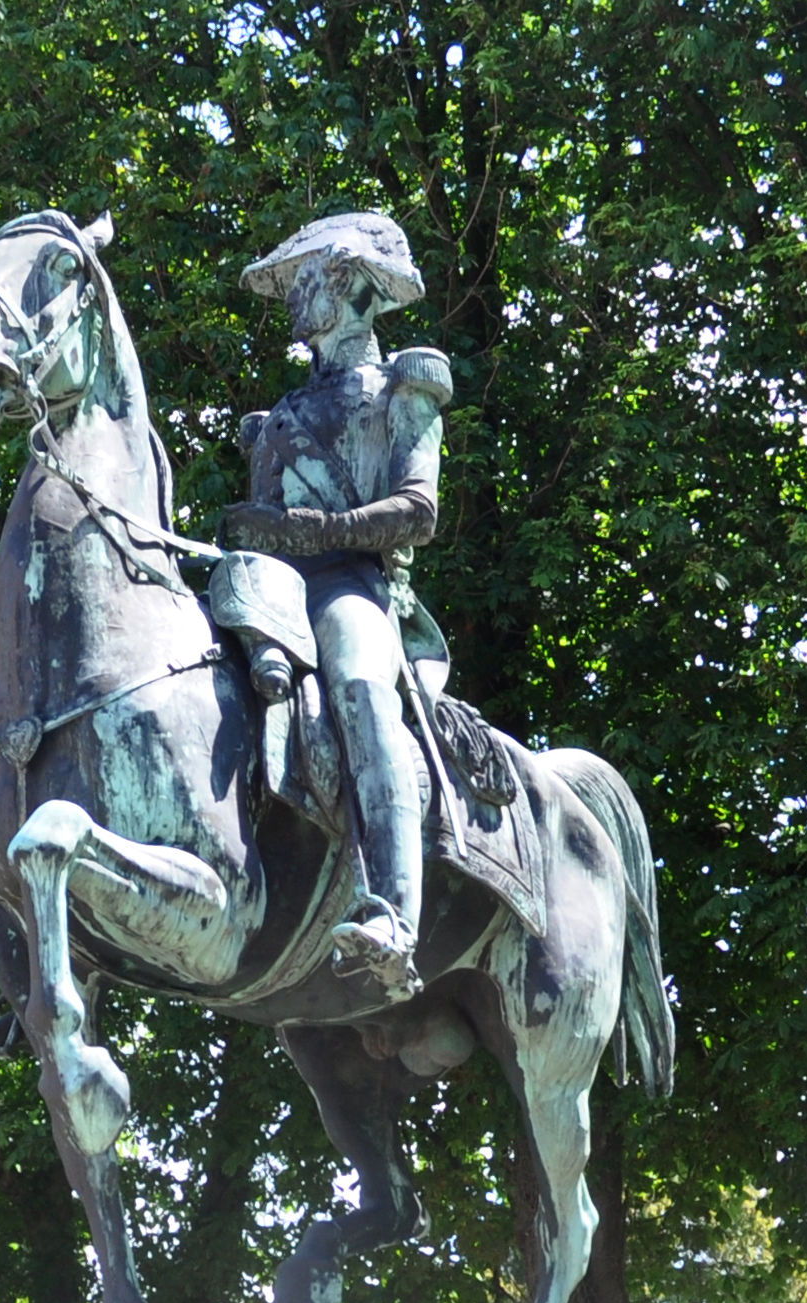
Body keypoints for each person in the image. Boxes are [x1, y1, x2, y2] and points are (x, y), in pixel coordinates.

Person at [221, 212, 450, 1002]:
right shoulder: (281, 412)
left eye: (306, 278)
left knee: (358, 688)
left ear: (350, 283)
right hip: (266, 588)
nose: (293, 295)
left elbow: (418, 509)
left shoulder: (404, 388)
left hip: (353, 585)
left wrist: (322, 532)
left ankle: (393, 916)